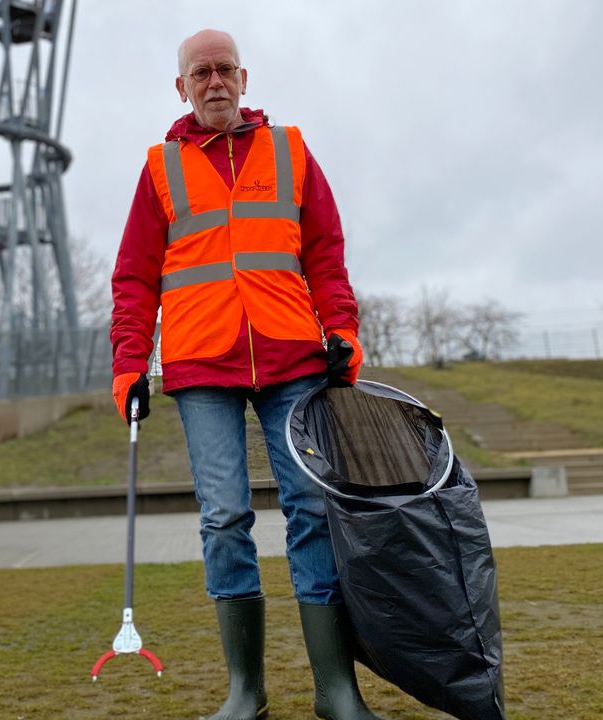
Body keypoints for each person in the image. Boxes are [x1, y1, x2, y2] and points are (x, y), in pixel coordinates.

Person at [110, 28, 380, 720]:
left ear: (244, 77)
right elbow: (135, 278)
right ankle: (246, 691)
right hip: (202, 365)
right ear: (182, 88)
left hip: (292, 358)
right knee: (225, 518)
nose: (215, 82)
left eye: (225, 69)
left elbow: (325, 254)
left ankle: (336, 690)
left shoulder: (290, 151)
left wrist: (342, 330)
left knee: (311, 510)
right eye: (200, 73)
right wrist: (129, 363)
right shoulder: (160, 169)